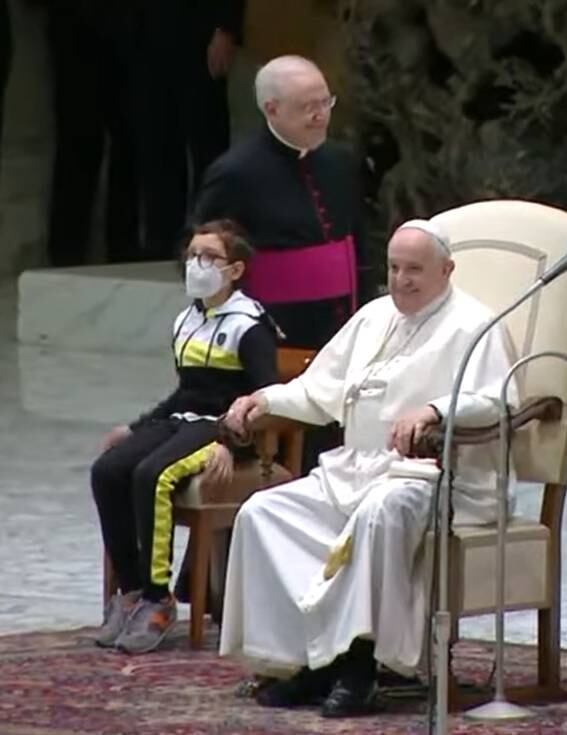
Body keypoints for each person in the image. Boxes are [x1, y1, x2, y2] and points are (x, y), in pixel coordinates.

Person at [217, 219, 516, 718]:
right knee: (263, 512)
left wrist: (436, 411)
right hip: (352, 471)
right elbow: (318, 390)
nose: (401, 280)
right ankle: (306, 662)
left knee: (378, 514)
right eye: (394, 268)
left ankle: (360, 668)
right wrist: (261, 400)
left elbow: (499, 400)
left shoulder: (474, 325)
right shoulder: (374, 317)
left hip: (433, 478)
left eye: (415, 270)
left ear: (447, 270)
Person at [91, 220, 278, 654]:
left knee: (152, 475)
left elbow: (267, 397)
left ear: (234, 270)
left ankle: (160, 599)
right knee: (108, 470)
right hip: (182, 417)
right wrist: (136, 428)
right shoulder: (187, 319)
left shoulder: (249, 325)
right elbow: (187, 390)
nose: (198, 264)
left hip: (219, 427)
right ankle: (133, 589)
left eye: (209, 257)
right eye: (193, 255)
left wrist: (231, 444)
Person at [192, 54, 367, 351]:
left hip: (345, 324)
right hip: (273, 329)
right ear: (271, 109)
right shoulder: (235, 172)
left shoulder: (341, 161)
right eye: (307, 107)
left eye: (326, 102)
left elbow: (359, 240)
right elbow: (201, 253)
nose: (321, 115)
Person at [135, 0, 244, 259]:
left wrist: (226, 29)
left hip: (200, 34)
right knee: (157, 144)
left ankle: (212, 242)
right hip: (146, 35)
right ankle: (161, 244)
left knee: (207, 145)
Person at [39, 0, 141, 266]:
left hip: (129, 26)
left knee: (129, 143)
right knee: (76, 141)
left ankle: (122, 247)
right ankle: (67, 251)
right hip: (75, 26)